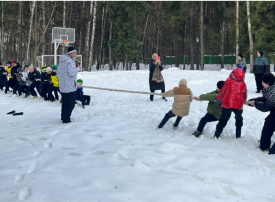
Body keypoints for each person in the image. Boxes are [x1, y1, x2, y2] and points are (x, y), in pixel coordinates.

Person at [246, 73, 275, 155]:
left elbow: (266, 107)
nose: (261, 83)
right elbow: (264, 98)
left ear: (268, 83)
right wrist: (252, 101)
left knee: (269, 124)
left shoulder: (272, 92)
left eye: (263, 82)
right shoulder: (269, 89)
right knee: (269, 124)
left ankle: (265, 146)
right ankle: (264, 145)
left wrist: (254, 103)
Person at [214, 68, 247, 139]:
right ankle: (238, 134)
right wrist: (244, 100)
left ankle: (217, 134)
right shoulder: (243, 84)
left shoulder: (228, 81)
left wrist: (219, 99)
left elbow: (222, 91)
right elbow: (245, 94)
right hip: (238, 104)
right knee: (239, 118)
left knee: (223, 119)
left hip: (227, 103)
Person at [57, 46, 81, 123]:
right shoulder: (69, 61)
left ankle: (63, 117)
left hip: (63, 85)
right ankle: (66, 119)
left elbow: (58, 73)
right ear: (70, 53)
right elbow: (71, 73)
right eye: (75, 53)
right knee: (70, 104)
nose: (76, 54)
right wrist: (78, 69)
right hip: (69, 86)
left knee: (65, 103)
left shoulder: (62, 61)